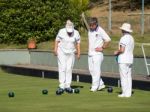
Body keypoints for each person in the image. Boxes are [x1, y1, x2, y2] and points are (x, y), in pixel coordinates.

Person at [54, 20, 81, 91]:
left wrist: (78, 53)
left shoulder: (76, 33)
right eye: (68, 31)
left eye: (70, 31)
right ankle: (61, 85)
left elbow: (78, 43)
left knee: (69, 68)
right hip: (61, 51)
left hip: (71, 52)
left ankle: (68, 85)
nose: (69, 33)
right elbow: (57, 40)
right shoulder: (61, 31)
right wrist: (55, 49)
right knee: (62, 67)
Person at [88, 17, 111, 92]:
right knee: (91, 70)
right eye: (90, 25)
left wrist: (102, 47)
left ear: (96, 24)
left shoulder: (100, 30)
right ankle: (101, 84)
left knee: (96, 70)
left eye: (92, 25)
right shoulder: (89, 31)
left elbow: (108, 39)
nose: (91, 27)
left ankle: (94, 86)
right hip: (90, 53)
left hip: (97, 54)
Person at [114, 23, 134, 98]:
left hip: (123, 59)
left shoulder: (123, 38)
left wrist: (116, 52)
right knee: (128, 76)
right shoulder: (132, 38)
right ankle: (128, 93)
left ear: (123, 30)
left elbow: (122, 50)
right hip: (130, 59)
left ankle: (124, 93)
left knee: (123, 76)